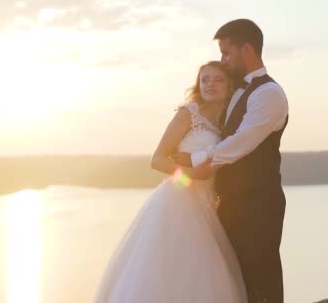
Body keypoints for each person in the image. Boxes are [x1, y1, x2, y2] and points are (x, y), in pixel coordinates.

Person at [93, 61, 247, 303]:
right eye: (205, 79)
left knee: (198, 272)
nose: (210, 84)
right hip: (176, 200)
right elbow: (157, 159)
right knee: (165, 269)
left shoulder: (228, 125)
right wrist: (191, 174)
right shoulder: (189, 113)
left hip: (206, 206)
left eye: (218, 79)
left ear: (229, 87)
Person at [173, 19, 289, 302]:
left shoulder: (269, 93)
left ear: (246, 49)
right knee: (233, 282)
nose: (222, 60)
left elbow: (240, 143)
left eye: (226, 52)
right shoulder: (236, 91)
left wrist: (194, 157)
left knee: (261, 279)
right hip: (228, 204)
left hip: (258, 204)